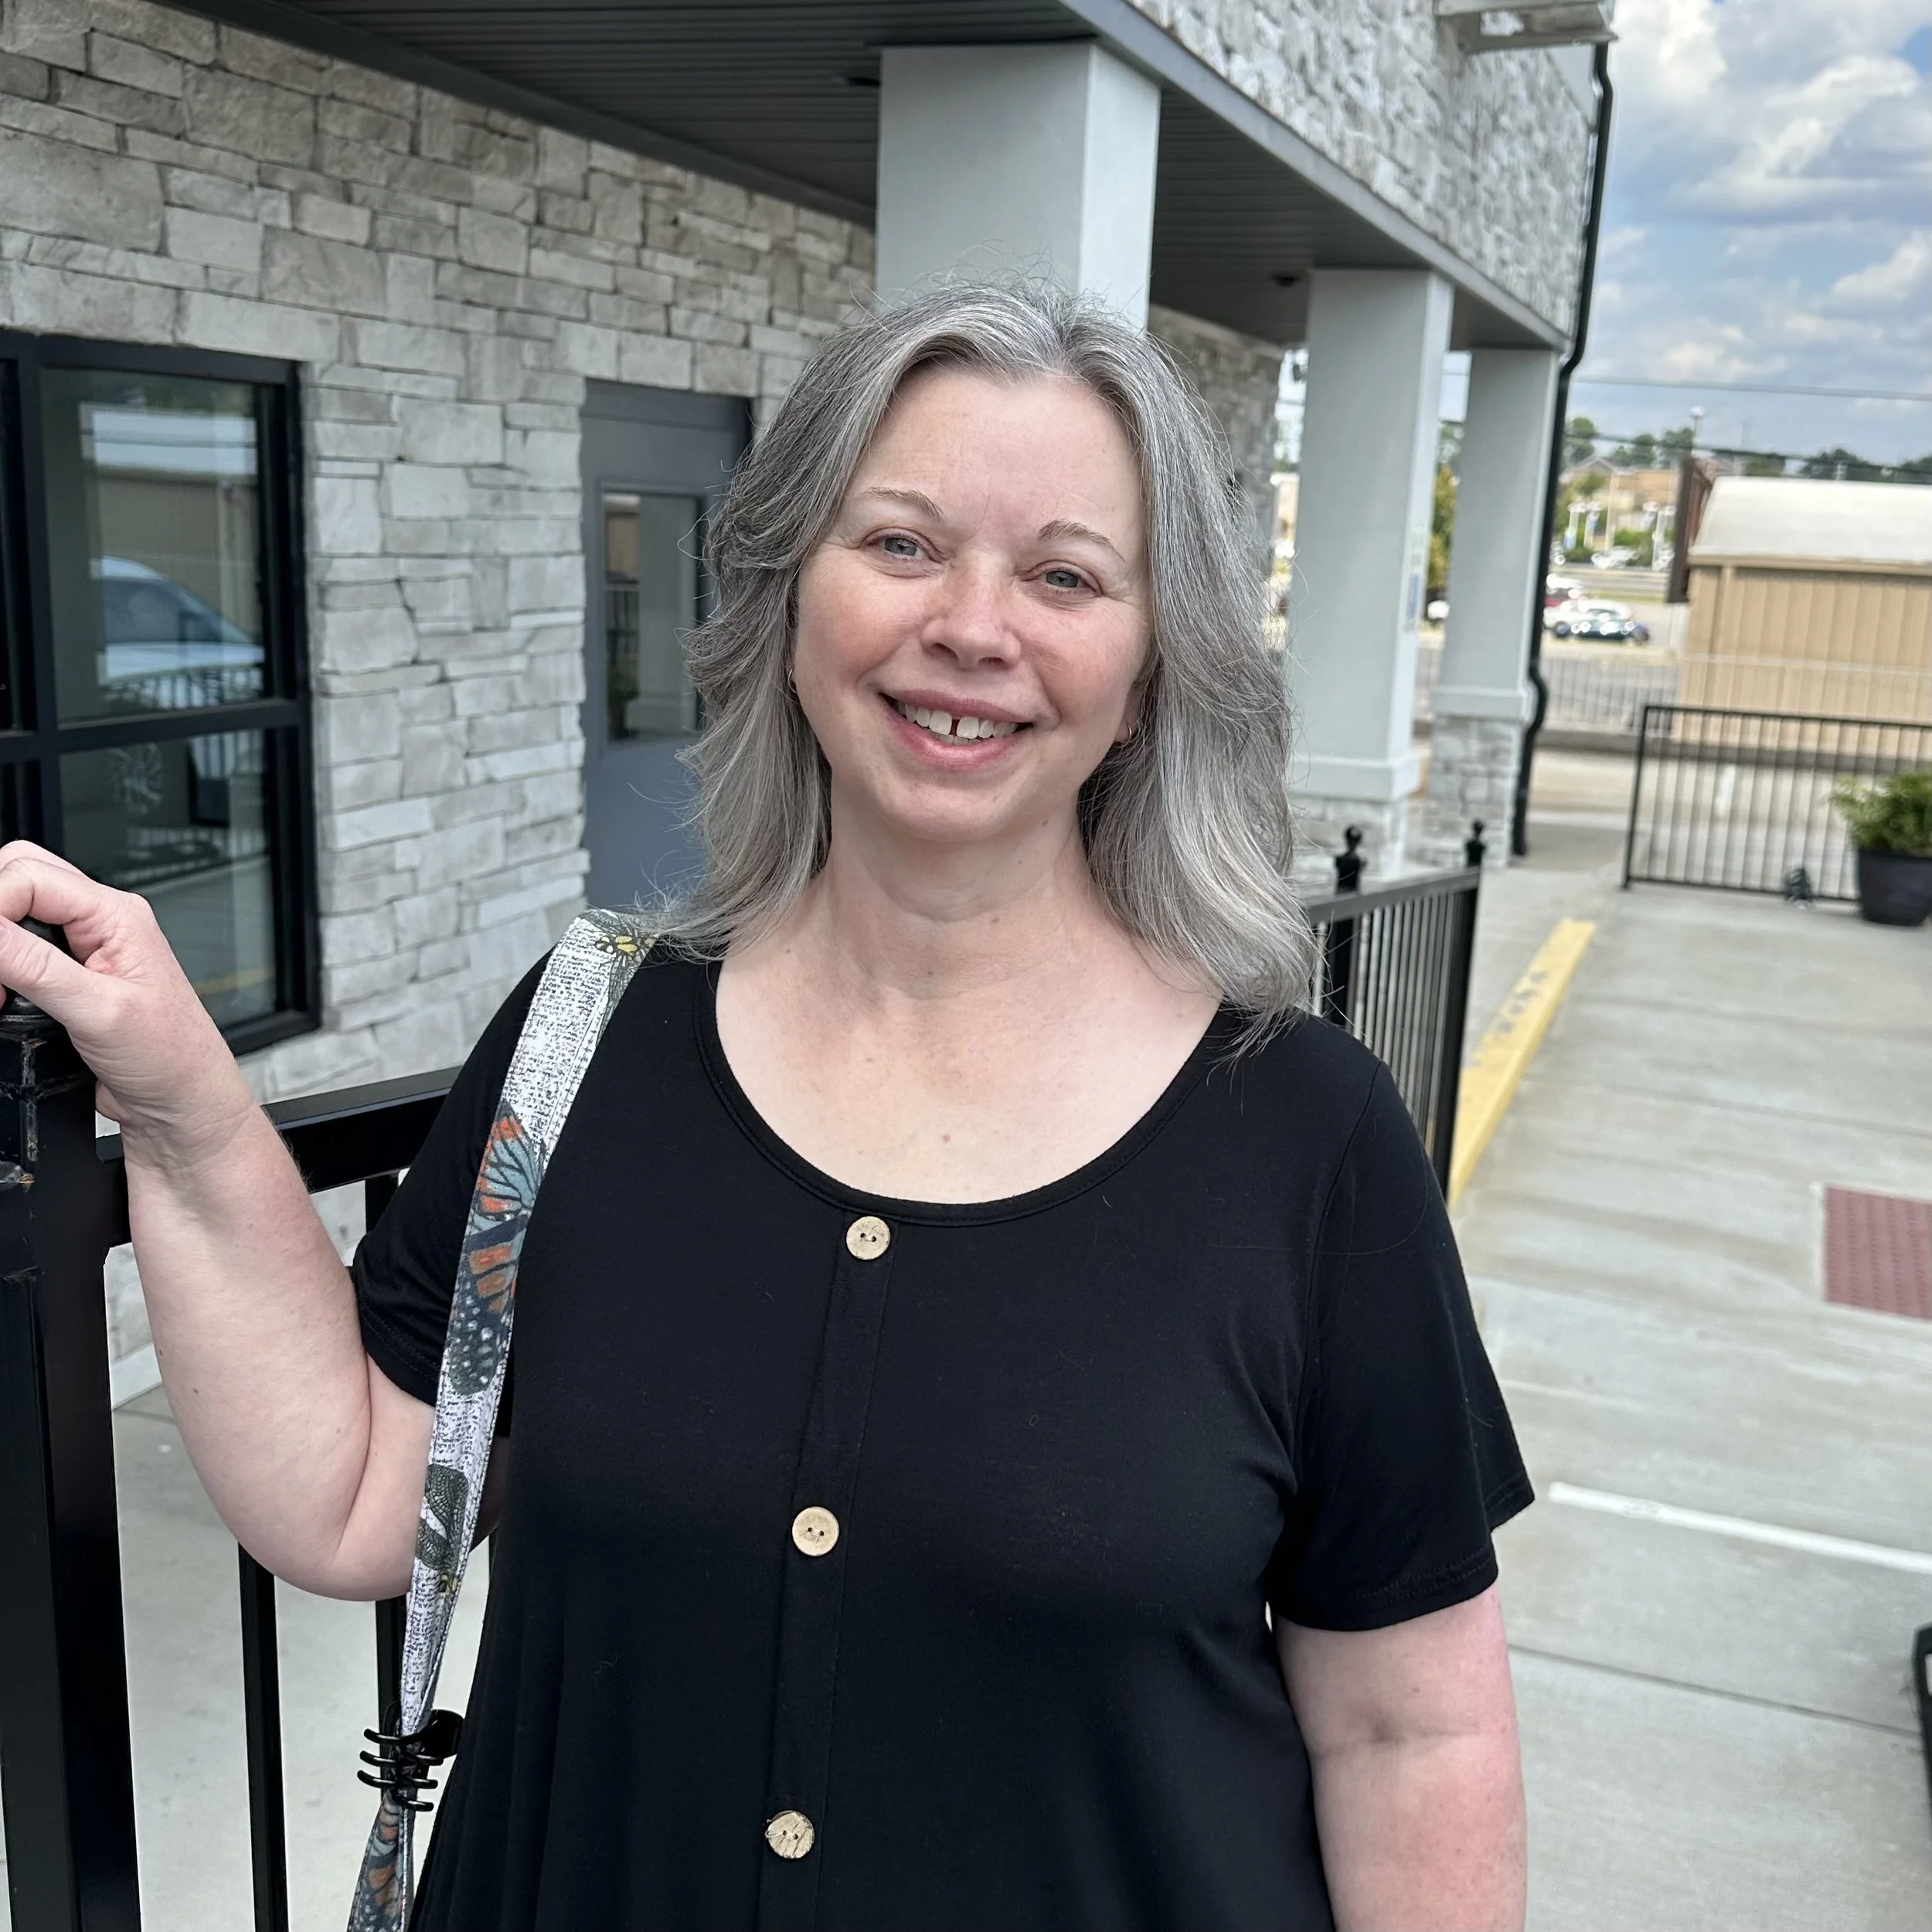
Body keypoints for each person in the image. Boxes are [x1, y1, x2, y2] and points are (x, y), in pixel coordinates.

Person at [0, 284, 1531, 1932]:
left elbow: (1408, 1726)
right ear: (784, 596)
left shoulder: (1301, 1136)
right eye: (899, 544)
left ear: (1151, 670)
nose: (972, 624)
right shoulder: (584, 1041)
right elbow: (365, 1489)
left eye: (1066, 574)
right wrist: (185, 1105)